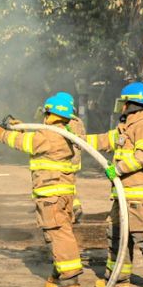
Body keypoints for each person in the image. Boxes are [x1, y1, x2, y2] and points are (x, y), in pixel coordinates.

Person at [0, 94, 82, 287]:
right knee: (60, 233)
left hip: (52, 196)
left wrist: (0, 133)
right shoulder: (62, 132)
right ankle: (61, 272)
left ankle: (69, 278)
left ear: (50, 112)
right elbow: (36, 140)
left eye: (46, 113)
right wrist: (22, 128)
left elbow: (25, 143)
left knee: (58, 234)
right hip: (60, 194)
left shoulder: (50, 135)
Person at [86, 81, 143, 287]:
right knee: (116, 234)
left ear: (131, 104)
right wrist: (77, 139)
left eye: (124, 103)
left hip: (138, 193)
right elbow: (105, 140)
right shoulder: (127, 126)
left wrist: (117, 169)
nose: (122, 107)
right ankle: (119, 277)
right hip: (122, 194)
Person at [54, 92, 85, 224]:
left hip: (67, 158)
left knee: (64, 184)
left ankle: (72, 208)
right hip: (75, 159)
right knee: (70, 183)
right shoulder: (78, 121)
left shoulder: (66, 121)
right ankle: (75, 206)